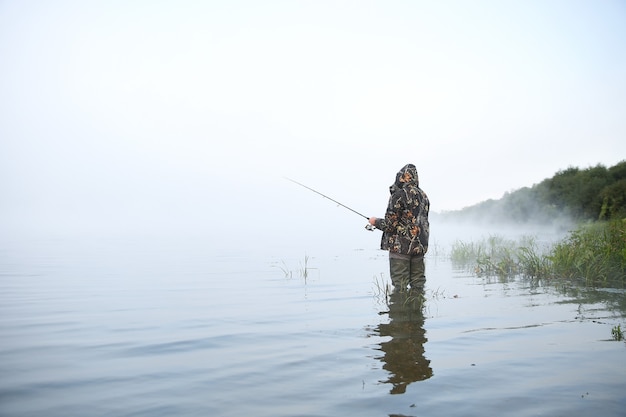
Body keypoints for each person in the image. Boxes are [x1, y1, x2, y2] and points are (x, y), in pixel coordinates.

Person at [369, 163, 430, 291]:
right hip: (419, 248)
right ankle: (417, 310)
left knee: (400, 287)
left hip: (400, 249)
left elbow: (390, 225)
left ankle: (399, 309)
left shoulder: (398, 195)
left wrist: (375, 221)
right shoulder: (424, 196)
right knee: (418, 286)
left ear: (401, 178)